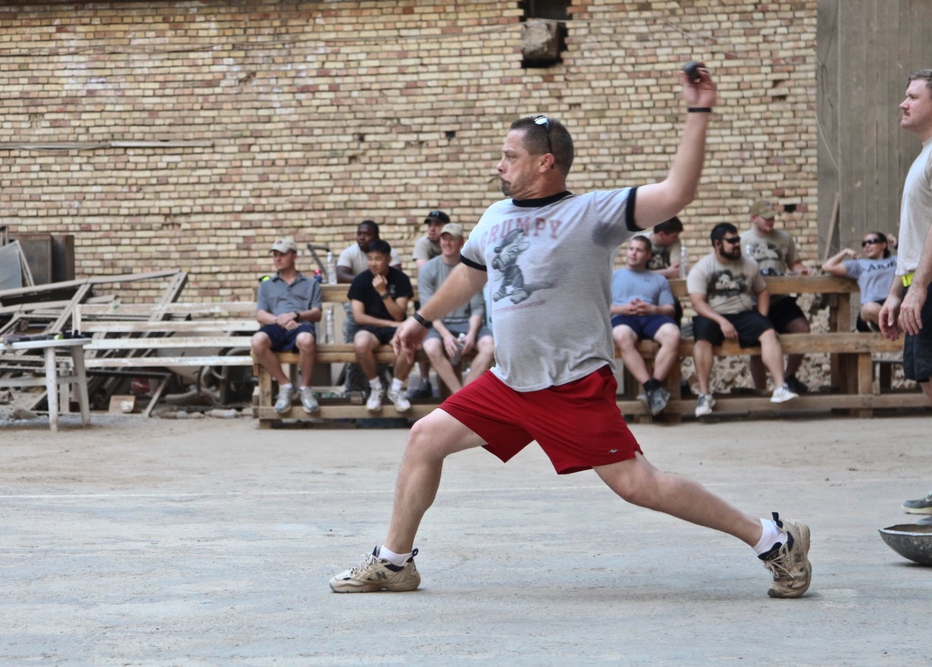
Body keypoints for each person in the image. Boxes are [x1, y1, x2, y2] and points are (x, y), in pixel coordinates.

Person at [329, 65, 811, 600]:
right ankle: (395, 562)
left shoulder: (592, 213)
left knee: (637, 486)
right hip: (510, 382)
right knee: (424, 438)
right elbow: (470, 274)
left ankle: (773, 539)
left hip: (570, 384)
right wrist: (420, 321)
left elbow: (677, 193)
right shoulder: (494, 216)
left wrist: (697, 112)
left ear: (545, 162)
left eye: (509, 156)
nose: (499, 164)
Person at [878, 69, 932, 515]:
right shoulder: (922, 156)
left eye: (912, 95)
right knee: (927, 382)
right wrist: (898, 291)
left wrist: (921, 289)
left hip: (931, 288)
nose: (903, 102)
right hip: (920, 287)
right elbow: (912, 235)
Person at [687, 223, 800, 417]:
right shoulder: (702, 268)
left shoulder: (750, 265)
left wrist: (762, 317)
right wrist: (721, 321)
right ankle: (704, 394)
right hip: (713, 315)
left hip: (743, 313)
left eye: (738, 240)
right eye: (731, 241)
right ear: (717, 244)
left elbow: (762, 290)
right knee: (702, 339)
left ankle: (780, 387)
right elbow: (697, 303)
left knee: (769, 332)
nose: (737, 244)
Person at [740, 200, 813, 395]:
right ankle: (761, 391)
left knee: (802, 329)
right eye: (766, 218)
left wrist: (802, 271)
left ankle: (788, 377)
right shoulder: (742, 240)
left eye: (773, 218)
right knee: (757, 344)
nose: (771, 222)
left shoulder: (784, 238)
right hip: (753, 301)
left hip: (779, 298)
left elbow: (794, 263)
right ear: (754, 218)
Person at [418, 222, 494, 395]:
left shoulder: (470, 268)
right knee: (431, 347)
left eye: (452, 239)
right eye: (444, 239)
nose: (447, 243)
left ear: (461, 243)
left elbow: (477, 307)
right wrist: (445, 336)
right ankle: (459, 396)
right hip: (437, 325)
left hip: (466, 324)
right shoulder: (428, 269)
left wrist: (472, 333)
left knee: (490, 346)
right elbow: (427, 311)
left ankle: (462, 396)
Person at [250, 238, 322, 414]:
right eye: (275, 255)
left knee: (306, 339)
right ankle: (286, 385)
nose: (278, 258)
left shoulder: (311, 283)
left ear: (294, 256)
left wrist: (295, 315)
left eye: (282, 254)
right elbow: (260, 314)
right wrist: (280, 320)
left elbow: (316, 313)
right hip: (276, 326)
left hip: (301, 326)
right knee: (258, 340)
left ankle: (305, 389)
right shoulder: (266, 285)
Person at [611, 235, 680, 416]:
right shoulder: (613, 277)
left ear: (648, 255)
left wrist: (653, 308)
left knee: (673, 334)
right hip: (624, 317)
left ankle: (652, 387)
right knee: (621, 336)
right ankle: (653, 390)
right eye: (631, 249)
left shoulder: (659, 280)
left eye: (639, 250)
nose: (633, 253)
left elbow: (670, 310)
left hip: (651, 317)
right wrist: (622, 308)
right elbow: (601, 307)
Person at [349, 239, 415, 412]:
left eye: (377, 258)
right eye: (369, 258)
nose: (373, 263)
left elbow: (399, 315)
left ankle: (396, 389)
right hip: (371, 328)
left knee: (408, 340)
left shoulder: (400, 279)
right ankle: (376, 387)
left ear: (388, 259)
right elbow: (359, 317)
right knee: (360, 342)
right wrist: (389, 323)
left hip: (396, 327)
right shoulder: (361, 280)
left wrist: (382, 292)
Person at [410, 210, 451, 399]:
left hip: (451, 297)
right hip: (429, 296)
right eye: (429, 224)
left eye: (437, 224)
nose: (432, 228)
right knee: (422, 332)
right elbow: (425, 271)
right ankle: (425, 380)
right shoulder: (423, 243)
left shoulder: (452, 242)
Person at [821, 232, 897, 332]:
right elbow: (827, 267)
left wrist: (897, 245)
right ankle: (892, 327)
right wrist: (845, 251)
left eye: (871, 242)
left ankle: (890, 327)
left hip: (892, 305)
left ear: (883, 245)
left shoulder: (895, 260)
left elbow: (914, 260)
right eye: (864, 244)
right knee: (870, 308)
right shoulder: (859, 264)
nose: (867, 245)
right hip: (871, 310)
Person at [336, 220, 402, 284]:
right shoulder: (348, 252)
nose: (361, 238)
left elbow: (397, 276)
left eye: (367, 234)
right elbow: (340, 277)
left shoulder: (389, 252)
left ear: (377, 237)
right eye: (359, 234)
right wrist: (368, 281)